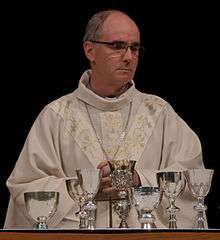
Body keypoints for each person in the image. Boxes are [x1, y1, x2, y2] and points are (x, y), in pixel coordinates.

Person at [4, 9, 204, 229]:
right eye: (117, 46)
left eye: (134, 48)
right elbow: (25, 186)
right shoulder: (56, 116)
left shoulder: (159, 113)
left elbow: (192, 176)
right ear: (90, 50)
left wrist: (139, 180)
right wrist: (85, 188)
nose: (128, 57)